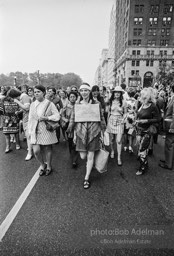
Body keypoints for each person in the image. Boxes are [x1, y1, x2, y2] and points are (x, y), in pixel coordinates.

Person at [67, 83, 106, 189]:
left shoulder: (96, 103)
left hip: (94, 132)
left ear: (89, 92)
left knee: (90, 156)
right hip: (80, 132)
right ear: (80, 92)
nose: (84, 92)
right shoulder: (77, 104)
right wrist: (71, 129)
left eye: (86, 90)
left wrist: (103, 130)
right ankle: (90, 163)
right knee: (83, 156)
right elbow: (72, 118)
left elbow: (101, 117)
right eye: (82, 90)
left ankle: (86, 178)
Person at [28, 85, 60, 176]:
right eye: (35, 92)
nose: (36, 93)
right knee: (36, 151)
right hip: (35, 129)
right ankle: (42, 165)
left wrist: (46, 117)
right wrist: (29, 131)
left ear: (43, 93)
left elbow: (57, 116)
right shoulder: (32, 104)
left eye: (38, 91)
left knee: (47, 148)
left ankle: (48, 166)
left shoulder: (50, 104)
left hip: (46, 129)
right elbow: (30, 118)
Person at [136, 87, 160, 175]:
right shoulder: (141, 104)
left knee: (142, 149)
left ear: (149, 97)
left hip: (147, 131)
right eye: (142, 96)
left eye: (145, 97)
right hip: (139, 129)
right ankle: (145, 163)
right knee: (140, 148)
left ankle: (142, 168)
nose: (143, 98)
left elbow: (158, 119)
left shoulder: (153, 106)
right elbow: (138, 115)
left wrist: (147, 120)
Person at [106, 85, 127, 166]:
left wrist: (123, 119)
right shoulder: (110, 101)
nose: (117, 94)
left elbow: (125, 113)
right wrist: (107, 122)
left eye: (119, 92)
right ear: (113, 93)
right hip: (111, 120)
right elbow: (108, 112)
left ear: (121, 94)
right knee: (111, 140)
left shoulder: (124, 102)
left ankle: (119, 157)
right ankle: (112, 151)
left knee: (118, 140)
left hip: (119, 121)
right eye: (116, 92)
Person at [14, 84, 33, 160]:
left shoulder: (24, 96)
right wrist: (19, 111)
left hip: (28, 118)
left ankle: (30, 153)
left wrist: (17, 102)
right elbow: (24, 108)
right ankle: (31, 148)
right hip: (25, 118)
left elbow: (27, 108)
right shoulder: (24, 96)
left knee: (28, 135)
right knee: (28, 135)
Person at [61, 91, 79, 167]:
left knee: (76, 142)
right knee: (71, 142)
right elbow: (61, 115)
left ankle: (75, 159)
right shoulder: (66, 106)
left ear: (76, 98)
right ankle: (72, 158)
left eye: (74, 97)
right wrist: (65, 120)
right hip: (69, 127)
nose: (72, 98)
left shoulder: (79, 106)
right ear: (68, 98)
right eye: (71, 97)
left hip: (78, 126)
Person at [159, 84, 174, 170]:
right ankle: (169, 160)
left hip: (171, 125)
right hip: (170, 124)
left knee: (169, 144)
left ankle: (168, 164)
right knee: (170, 144)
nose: (167, 89)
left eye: (169, 88)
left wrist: (172, 127)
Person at [2, 88, 21, 153]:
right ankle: (17, 145)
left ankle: (7, 147)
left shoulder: (3, 100)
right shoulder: (16, 101)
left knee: (7, 135)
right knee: (16, 133)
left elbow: (1, 110)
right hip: (14, 118)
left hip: (6, 119)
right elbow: (19, 109)